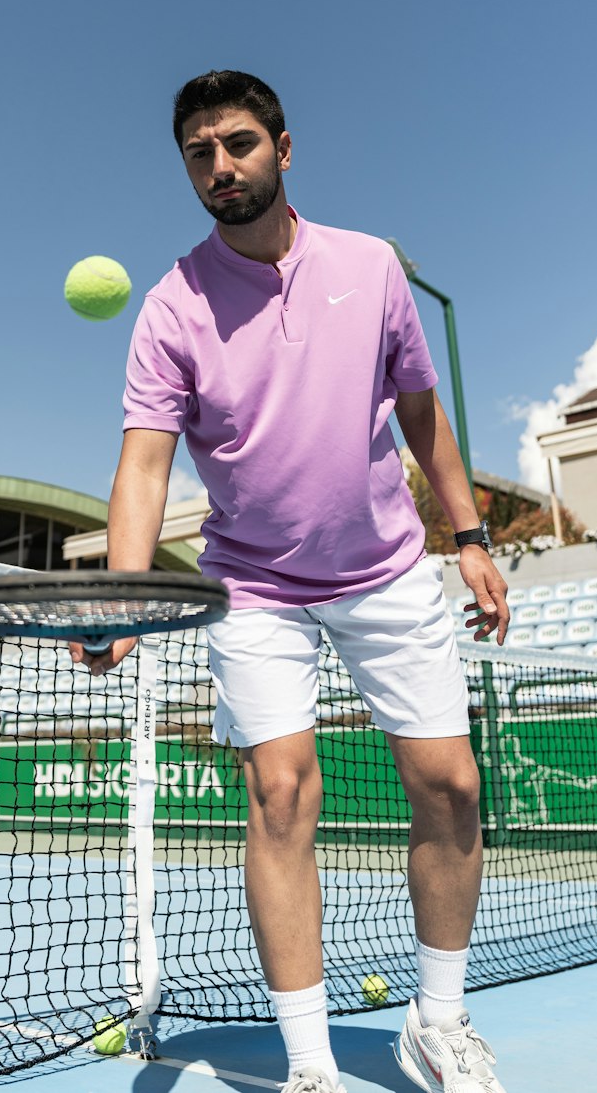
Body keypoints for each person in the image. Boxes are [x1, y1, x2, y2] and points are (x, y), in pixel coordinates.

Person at [71, 70, 511, 1093]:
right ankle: (309, 1066)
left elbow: (420, 415)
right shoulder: (172, 306)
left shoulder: (369, 266)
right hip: (254, 584)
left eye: (236, 144)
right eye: (198, 153)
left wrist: (474, 534)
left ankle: (436, 1025)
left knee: (449, 784)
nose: (219, 167)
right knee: (280, 794)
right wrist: (128, 595)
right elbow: (143, 464)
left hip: (388, 567)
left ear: (281, 147)